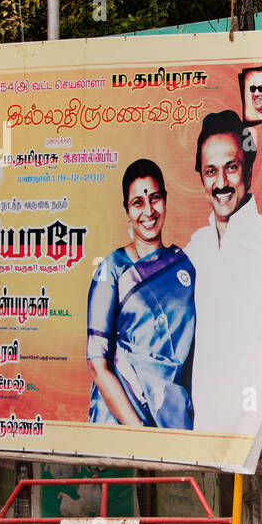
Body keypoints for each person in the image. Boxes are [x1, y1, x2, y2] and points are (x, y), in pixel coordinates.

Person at [184, 111, 262, 438]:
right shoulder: (193, 250)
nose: (221, 183)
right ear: (201, 177)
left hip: (253, 421)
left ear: (250, 170)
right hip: (203, 420)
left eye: (231, 167)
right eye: (211, 171)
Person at [87, 158, 196, 429]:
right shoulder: (111, 270)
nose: (148, 210)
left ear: (165, 201)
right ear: (127, 210)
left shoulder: (185, 266)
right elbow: (97, 366)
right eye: (138, 203)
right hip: (120, 421)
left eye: (155, 198)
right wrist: (137, 432)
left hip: (170, 417)